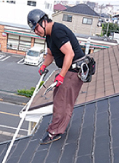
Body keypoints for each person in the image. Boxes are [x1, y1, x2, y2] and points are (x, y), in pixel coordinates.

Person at [27, 9, 85, 145]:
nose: (36, 32)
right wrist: (44, 65)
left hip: (74, 70)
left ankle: (55, 131)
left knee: (62, 100)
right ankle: (59, 126)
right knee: (59, 97)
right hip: (69, 69)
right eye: (34, 30)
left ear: (44, 21)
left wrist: (61, 76)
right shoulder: (49, 35)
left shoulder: (57, 31)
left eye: (36, 28)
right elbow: (51, 54)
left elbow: (69, 54)